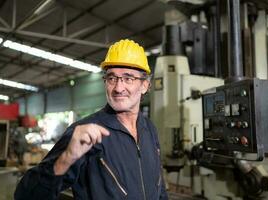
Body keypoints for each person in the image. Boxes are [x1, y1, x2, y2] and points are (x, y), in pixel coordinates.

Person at [14, 39, 168, 200]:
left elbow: (160, 188)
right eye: (111, 78)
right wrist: (65, 159)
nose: (118, 88)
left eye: (128, 78)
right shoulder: (83, 133)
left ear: (145, 85)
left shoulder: (149, 129)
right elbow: (25, 195)